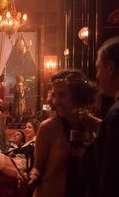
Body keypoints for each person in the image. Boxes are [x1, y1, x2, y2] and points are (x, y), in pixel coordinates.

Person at [29, 69, 101, 197]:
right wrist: (33, 176)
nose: (56, 101)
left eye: (61, 95)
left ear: (78, 95)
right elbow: (38, 167)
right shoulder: (47, 128)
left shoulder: (97, 126)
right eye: (54, 95)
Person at [84, 36, 119, 197]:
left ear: (110, 68)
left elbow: (110, 174)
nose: (96, 76)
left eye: (98, 69)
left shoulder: (116, 114)